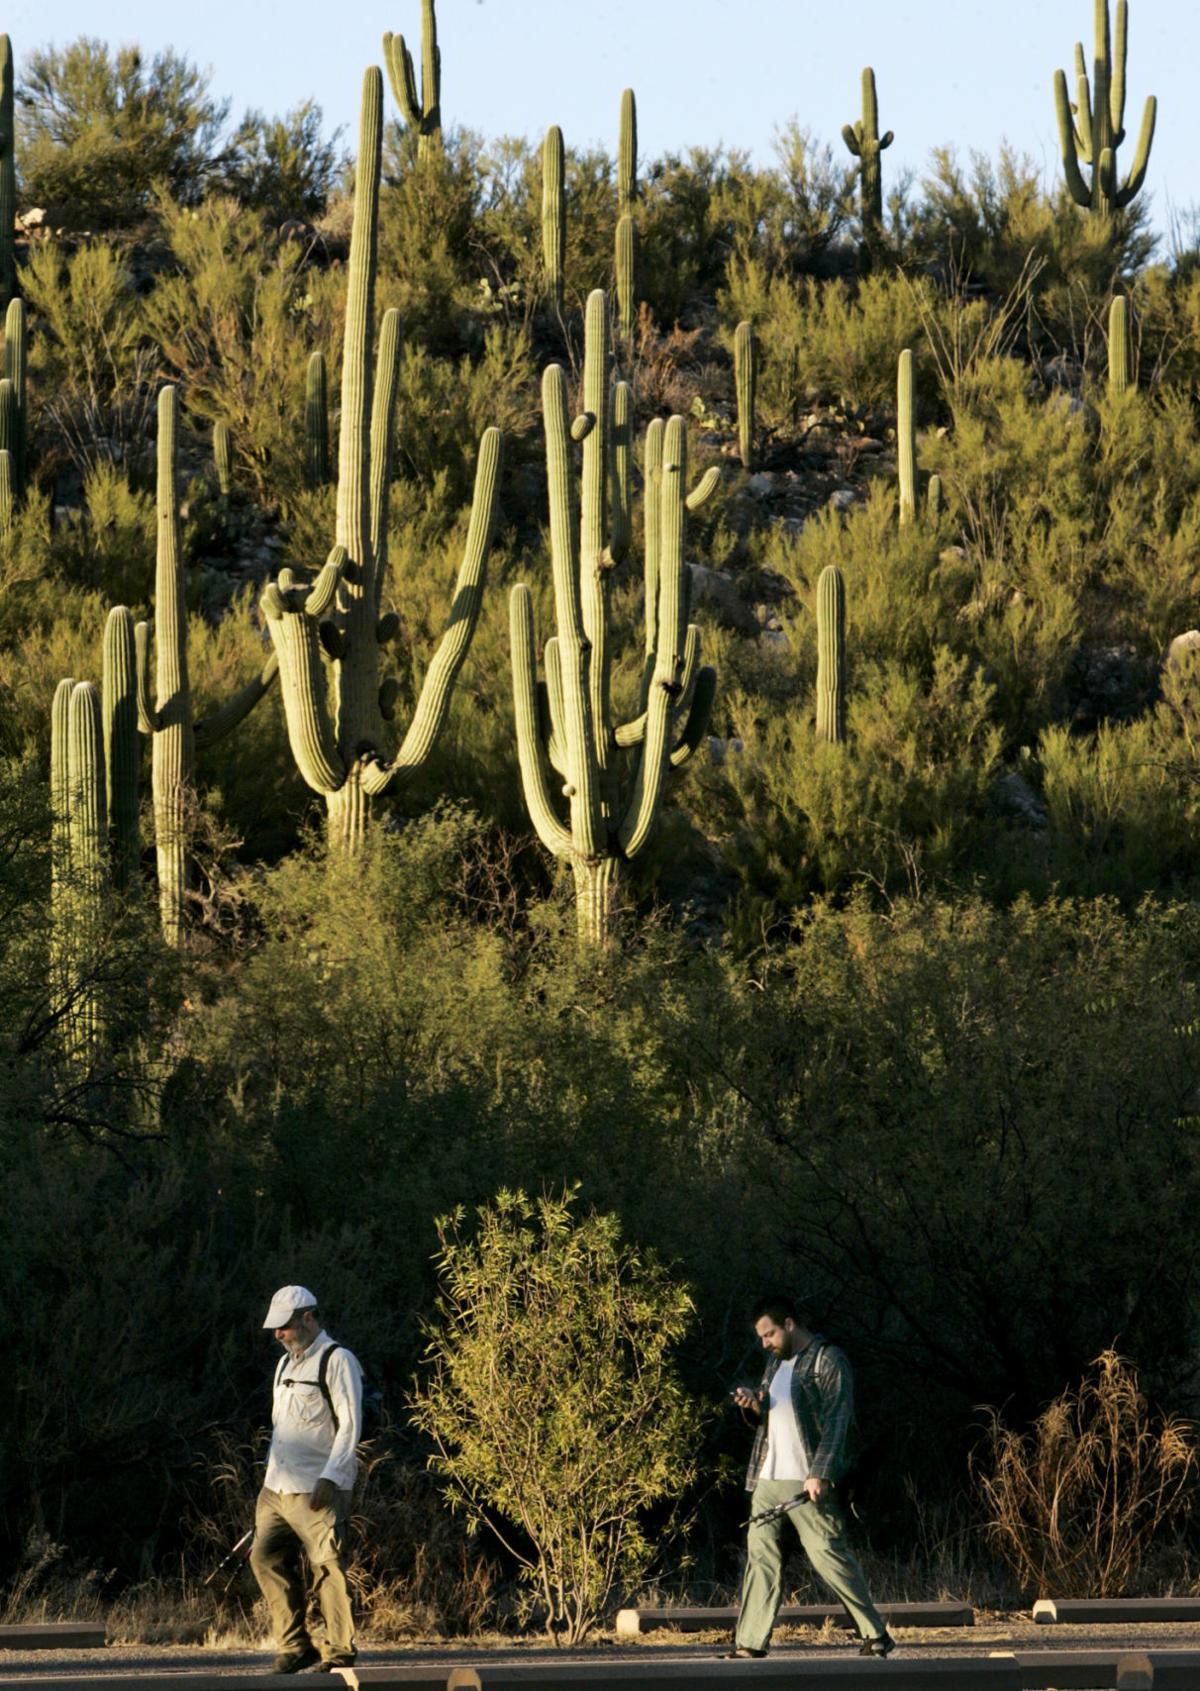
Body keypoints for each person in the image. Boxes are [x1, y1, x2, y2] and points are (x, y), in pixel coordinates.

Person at [724, 1293, 894, 1660]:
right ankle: (749, 1644)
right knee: (760, 1560)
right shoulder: (775, 1364)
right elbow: (771, 1418)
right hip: (767, 1478)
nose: (765, 1343)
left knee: (828, 1555)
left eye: (769, 1334)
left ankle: (875, 1634)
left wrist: (821, 1473)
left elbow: (838, 1419)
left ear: (789, 1324)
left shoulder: (827, 1359)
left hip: (806, 1481)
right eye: (761, 1338)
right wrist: (754, 1404)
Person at [249, 1285, 363, 1674]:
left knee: (327, 1567)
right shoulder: (285, 1365)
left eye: (284, 1327)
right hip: (276, 1488)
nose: (278, 1335)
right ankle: (296, 1648)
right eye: (275, 1329)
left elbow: (350, 1424)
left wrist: (331, 1477)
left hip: (317, 1489)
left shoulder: (337, 1359)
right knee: (264, 1558)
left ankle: (338, 1654)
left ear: (308, 1318)